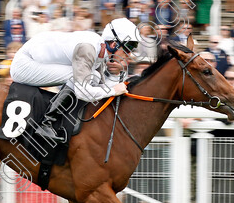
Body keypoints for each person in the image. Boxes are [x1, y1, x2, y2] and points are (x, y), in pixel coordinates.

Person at [10, 18, 140, 143]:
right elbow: (82, 91)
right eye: (128, 47)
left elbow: (101, 84)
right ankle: (46, 123)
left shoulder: (99, 49)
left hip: (34, 57)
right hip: (23, 65)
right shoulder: (89, 49)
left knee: (93, 76)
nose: (129, 54)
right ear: (114, 44)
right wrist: (113, 90)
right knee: (83, 77)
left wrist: (115, 76)